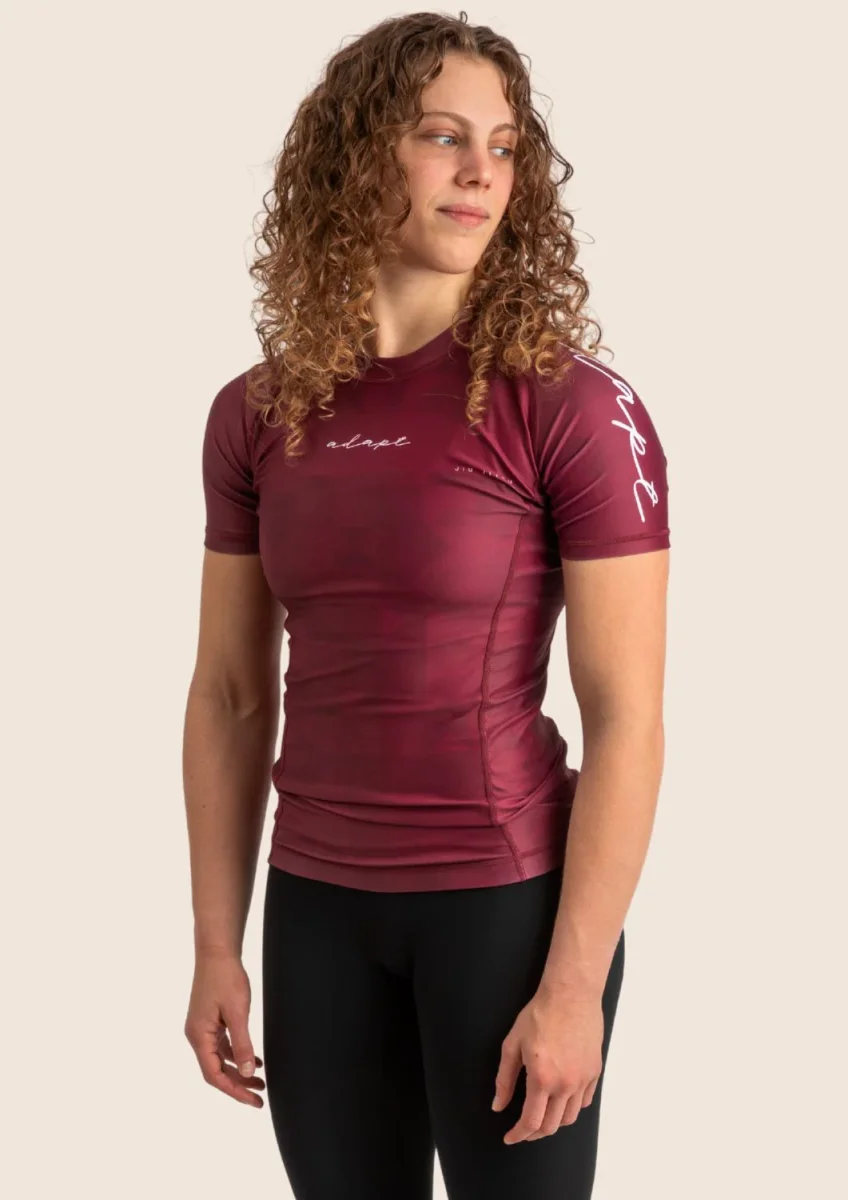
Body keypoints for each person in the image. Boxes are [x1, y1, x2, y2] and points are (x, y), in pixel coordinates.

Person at [182, 11, 670, 1200]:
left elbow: (626, 719)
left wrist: (571, 986)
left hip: (500, 912)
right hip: (315, 912)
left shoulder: (570, 407)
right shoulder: (257, 413)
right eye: (442, 137)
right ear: (356, 159)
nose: (479, 173)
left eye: (502, 146)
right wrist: (214, 945)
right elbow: (232, 694)